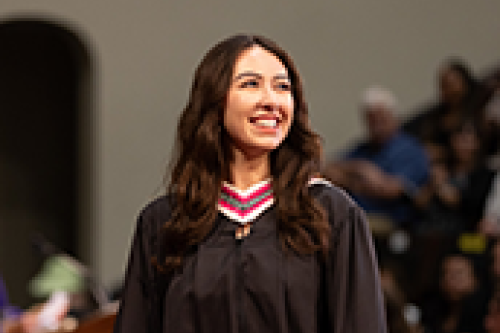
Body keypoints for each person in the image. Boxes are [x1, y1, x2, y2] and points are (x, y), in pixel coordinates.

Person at [112, 34, 387, 333]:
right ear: (215, 102)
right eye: (250, 84)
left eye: (282, 87)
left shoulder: (330, 214)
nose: (271, 101)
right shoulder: (165, 223)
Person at [325, 86, 430, 229]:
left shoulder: (411, 150)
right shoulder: (363, 148)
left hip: (391, 222)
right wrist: (361, 169)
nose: (376, 126)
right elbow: (328, 171)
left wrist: (352, 180)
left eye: (381, 119)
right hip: (354, 214)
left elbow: (390, 190)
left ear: (394, 117)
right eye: (372, 121)